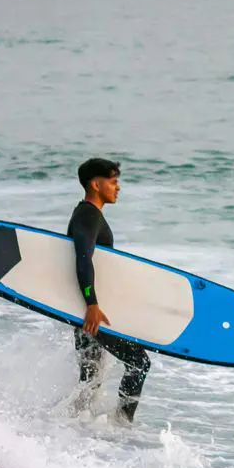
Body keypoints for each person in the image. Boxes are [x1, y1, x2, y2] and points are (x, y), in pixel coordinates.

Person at [66, 157, 151, 422]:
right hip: (91, 309)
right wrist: (92, 304)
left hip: (86, 308)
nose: (118, 187)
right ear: (95, 184)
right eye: (113, 182)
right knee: (139, 363)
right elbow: (83, 258)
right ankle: (122, 425)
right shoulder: (89, 215)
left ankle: (72, 425)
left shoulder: (87, 214)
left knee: (90, 376)